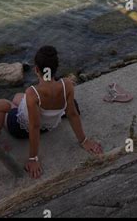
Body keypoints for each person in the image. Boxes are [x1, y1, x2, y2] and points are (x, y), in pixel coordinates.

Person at [6, 45, 103, 178]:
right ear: (56, 68)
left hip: (20, 128)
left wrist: (33, 158)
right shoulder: (67, 85)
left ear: (36, 70)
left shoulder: (32, 93)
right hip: (49, 125)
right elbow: (72, 114)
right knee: (19, 97)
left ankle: (11, 106)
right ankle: (18, 104)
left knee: (11, 102)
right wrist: (84, 140)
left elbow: (34, 126)